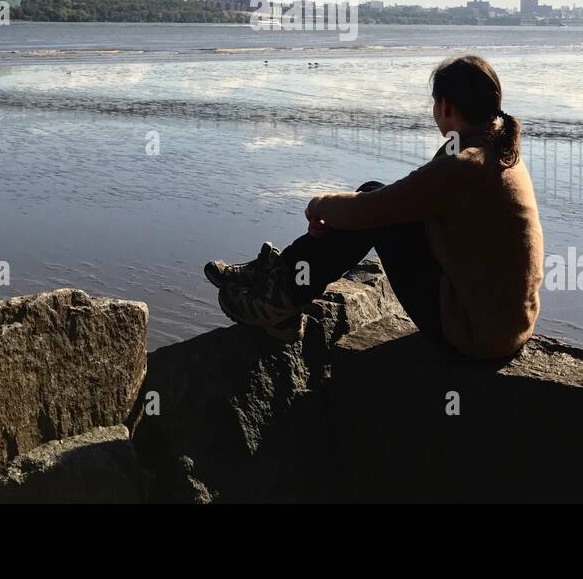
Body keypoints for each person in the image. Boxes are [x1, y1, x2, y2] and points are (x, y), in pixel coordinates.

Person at [206, 54, 544, 360]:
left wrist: (319, 204)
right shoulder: (499, 149)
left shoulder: (466, 163)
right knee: (375, 203)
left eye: (434, 103)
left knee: (373, 210)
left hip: (472, 334)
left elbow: (375, 209)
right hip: (503, 326)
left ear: (445, 106)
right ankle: (280, 281)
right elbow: (406, 202)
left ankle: (277, 299)